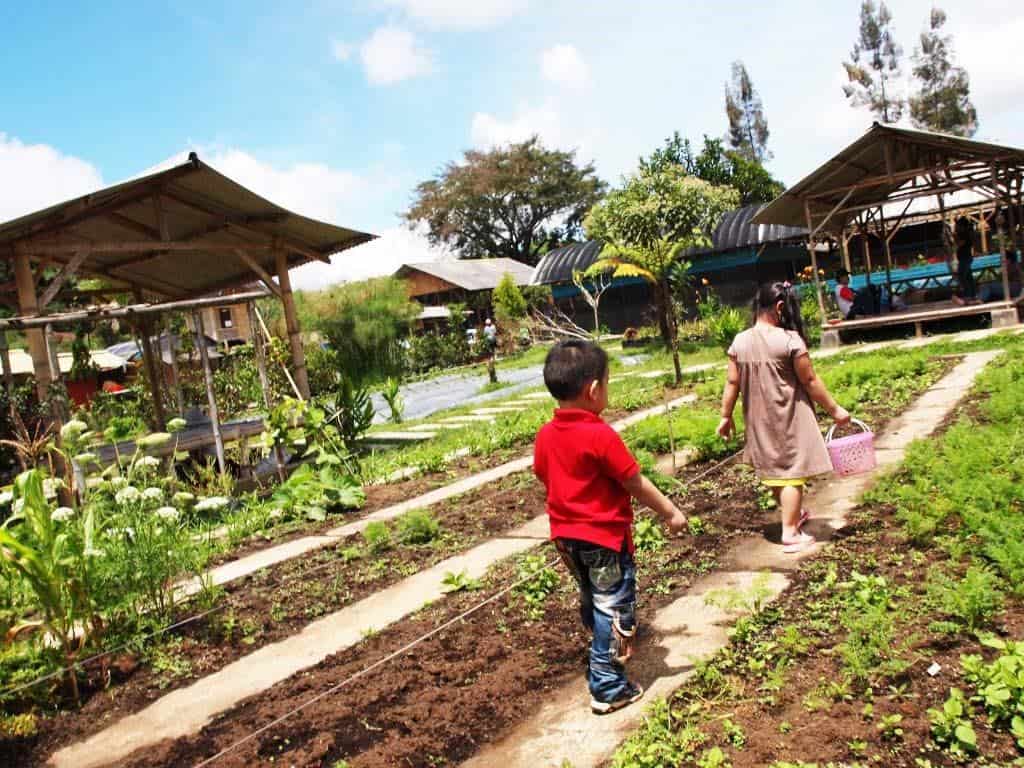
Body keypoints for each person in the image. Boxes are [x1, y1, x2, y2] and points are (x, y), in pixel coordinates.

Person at [534, 340, 687, 714]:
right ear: (593, 390)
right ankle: (607, 687)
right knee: (614, 606)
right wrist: (669, 512)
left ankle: (598, 641)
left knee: (592, 595)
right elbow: (634, 481)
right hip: (602, 538)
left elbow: (544, 474)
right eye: (607, 382)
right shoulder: (600, 435)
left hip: (565, 539)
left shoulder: (545, 435)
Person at [717, 282, 850, 554]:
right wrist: (835, 410)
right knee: (791, 475)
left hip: (758, 420)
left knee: (775, 471)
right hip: (789, 416)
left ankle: (794, 514)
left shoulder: (739, 342)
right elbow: (810, 380)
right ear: (779, 307)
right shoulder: (789, 341)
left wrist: (725, 416)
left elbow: (732, 383)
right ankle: (790, 532)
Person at [954, 216, 979, 303]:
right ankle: (973, 295)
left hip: (965, 258)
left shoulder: (964, 234)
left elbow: (960, 244)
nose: (956, 227)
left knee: (962, 276)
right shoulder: (964, 233)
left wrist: (953, 237)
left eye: (957, 225)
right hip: (965, 258)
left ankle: (968, 295)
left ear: (962, 226)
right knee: (968, 277)